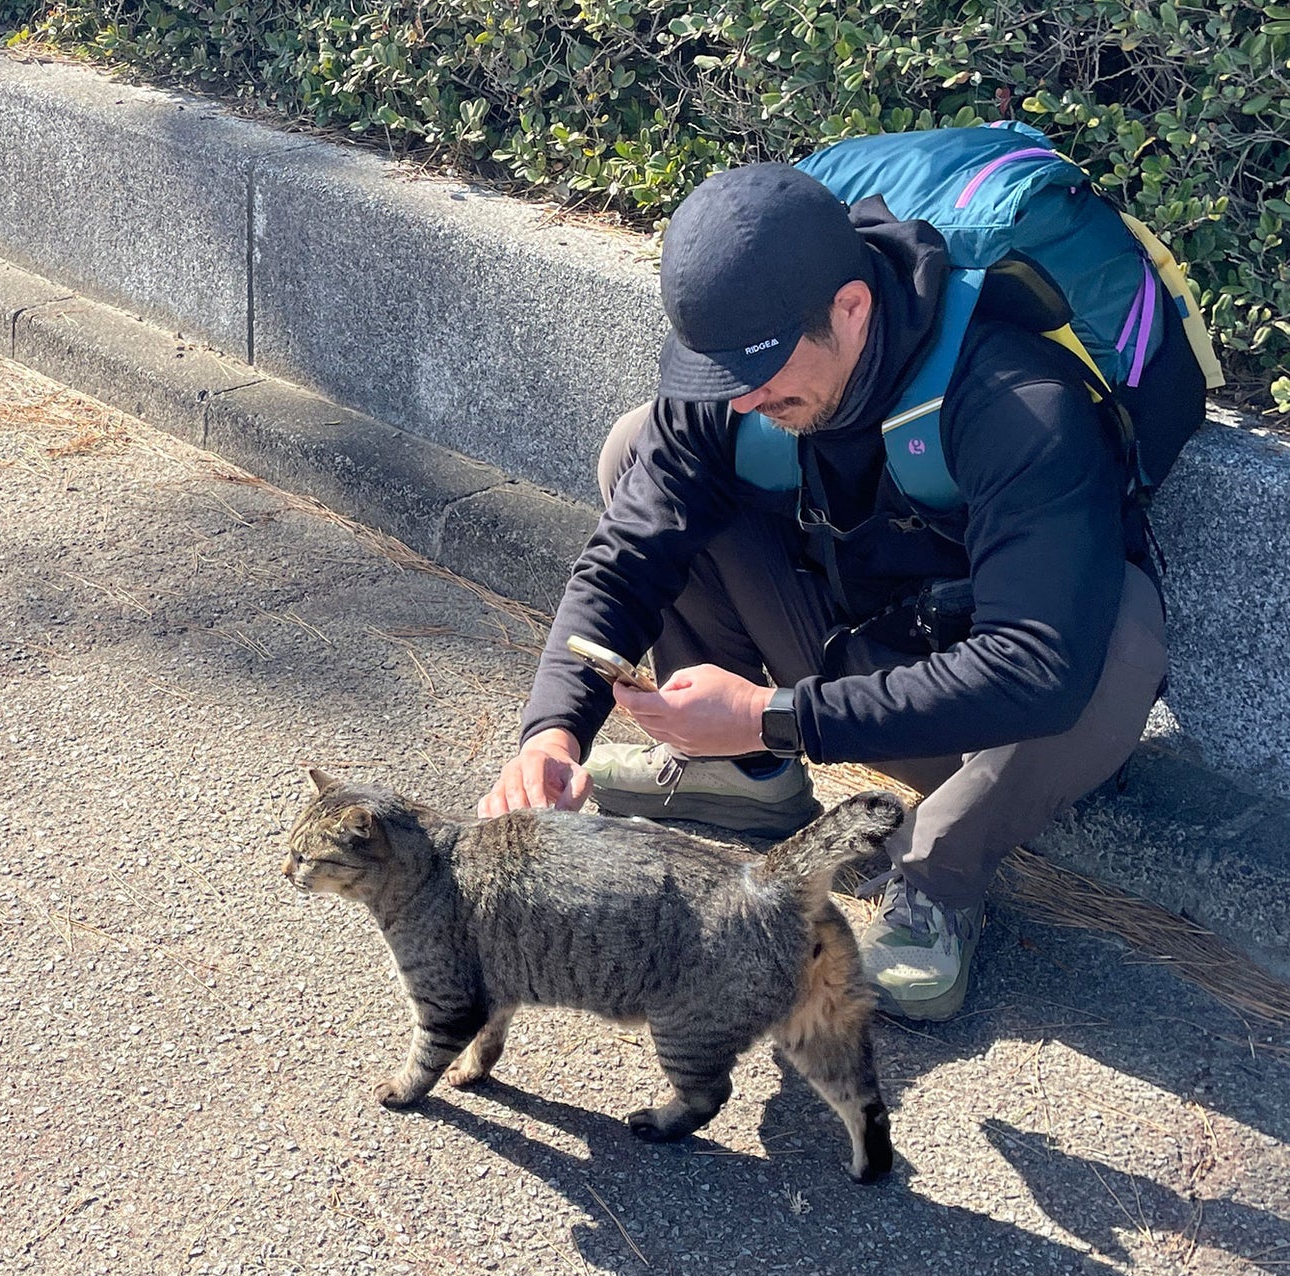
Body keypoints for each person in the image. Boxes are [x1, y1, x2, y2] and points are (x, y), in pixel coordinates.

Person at [477, 161, 1192, 1021]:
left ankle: (939, 876)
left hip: (987, 722)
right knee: (638, 450)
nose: (742, 398)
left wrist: (774, 713)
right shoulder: (742, 366)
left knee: (1121, 633)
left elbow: (1034, 667)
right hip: (839, 638)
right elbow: (628, 551)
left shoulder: (1014, 400)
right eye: (719, 373)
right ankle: (738, 772)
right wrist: (552, 732)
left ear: (851, 307)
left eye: (762, 371)